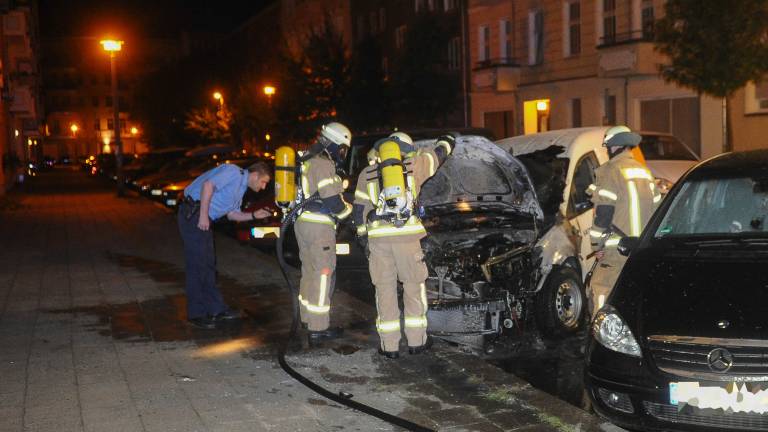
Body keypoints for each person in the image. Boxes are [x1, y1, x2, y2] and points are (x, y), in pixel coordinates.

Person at [353, 132, 454, 359]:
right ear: (406, 149)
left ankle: (389, 347)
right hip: (407, 239)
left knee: (384, 290)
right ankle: (417, 342)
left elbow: (359, 211)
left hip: (378, 240)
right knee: (413, 287)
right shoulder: (414, 164)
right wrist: (447, 142)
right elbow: (437, 156)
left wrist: (362, 238)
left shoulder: (366, 173)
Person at [179, 160, 272, 329]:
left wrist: (253, 216)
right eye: (263, 182)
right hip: (193, 214)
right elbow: (208, 186)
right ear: (255, 175)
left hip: (201, 217)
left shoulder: (241, 188)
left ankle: (216, 309)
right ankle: (196, 314)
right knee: (198, 265)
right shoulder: (233, 172)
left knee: (208, 264)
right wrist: (203, 215)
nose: (264, 187)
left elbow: (232, 215)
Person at [586, 126, 661, 315]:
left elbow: (603, 214)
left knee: (601, 291)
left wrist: (597, 246)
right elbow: (658, 211)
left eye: (608, 147)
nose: (607, 151)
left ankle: (601, 337)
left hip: (616, 250)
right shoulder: (645, 172)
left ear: (614, 147)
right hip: (641, 249)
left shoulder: (611, 171)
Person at [294, 122, 353, 345]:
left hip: (303, 223)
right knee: (322, 274)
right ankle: (319, 327)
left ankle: (307, 319)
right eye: (343, 148)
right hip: (319, 227)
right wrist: (349, 214)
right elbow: (331, 199)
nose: (342, 153)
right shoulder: (323, 163)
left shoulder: (308, 160)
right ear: (336, 144)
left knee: (308, 272)